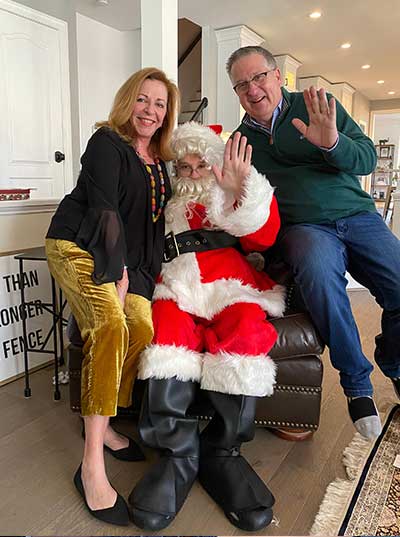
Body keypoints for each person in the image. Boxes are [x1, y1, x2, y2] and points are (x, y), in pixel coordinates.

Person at [227, 45, 400, 440]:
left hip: (357, 216)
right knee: (319, 276)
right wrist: (235, 191)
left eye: (258, 77)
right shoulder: (240, 143)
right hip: (305, 229)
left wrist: (332, 144)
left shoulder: (318, 105)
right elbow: (245, 207)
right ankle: (357, 385)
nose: (252, 90)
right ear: (237, 94)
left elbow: (367, 160)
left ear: (277, 77)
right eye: (241, 85)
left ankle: (394, 362)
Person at [128, 122, 286, 532]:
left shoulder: (229, 194)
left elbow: (264, 239)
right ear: (173, 170)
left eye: (202, 165)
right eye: (184, 167)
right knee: (165, 334)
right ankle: (177, 453)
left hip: (229, 285)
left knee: (248, 330)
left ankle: (223, 452)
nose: (194, 174)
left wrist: (240, 193)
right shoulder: (162, 202)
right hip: (176, 284)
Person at [45, 67, 179, 525]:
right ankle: (91, 466)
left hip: (129, 264)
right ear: (128, 101)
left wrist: (146, 277)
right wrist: (115, 271)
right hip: (81, 246)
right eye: (143, 100)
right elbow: (105, 210)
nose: (150, 110)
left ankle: (99, 423)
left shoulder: (159, 161)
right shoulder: (106, 143)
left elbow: (153, 226)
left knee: (141, 327)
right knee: (110, 323)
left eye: (160, 104)